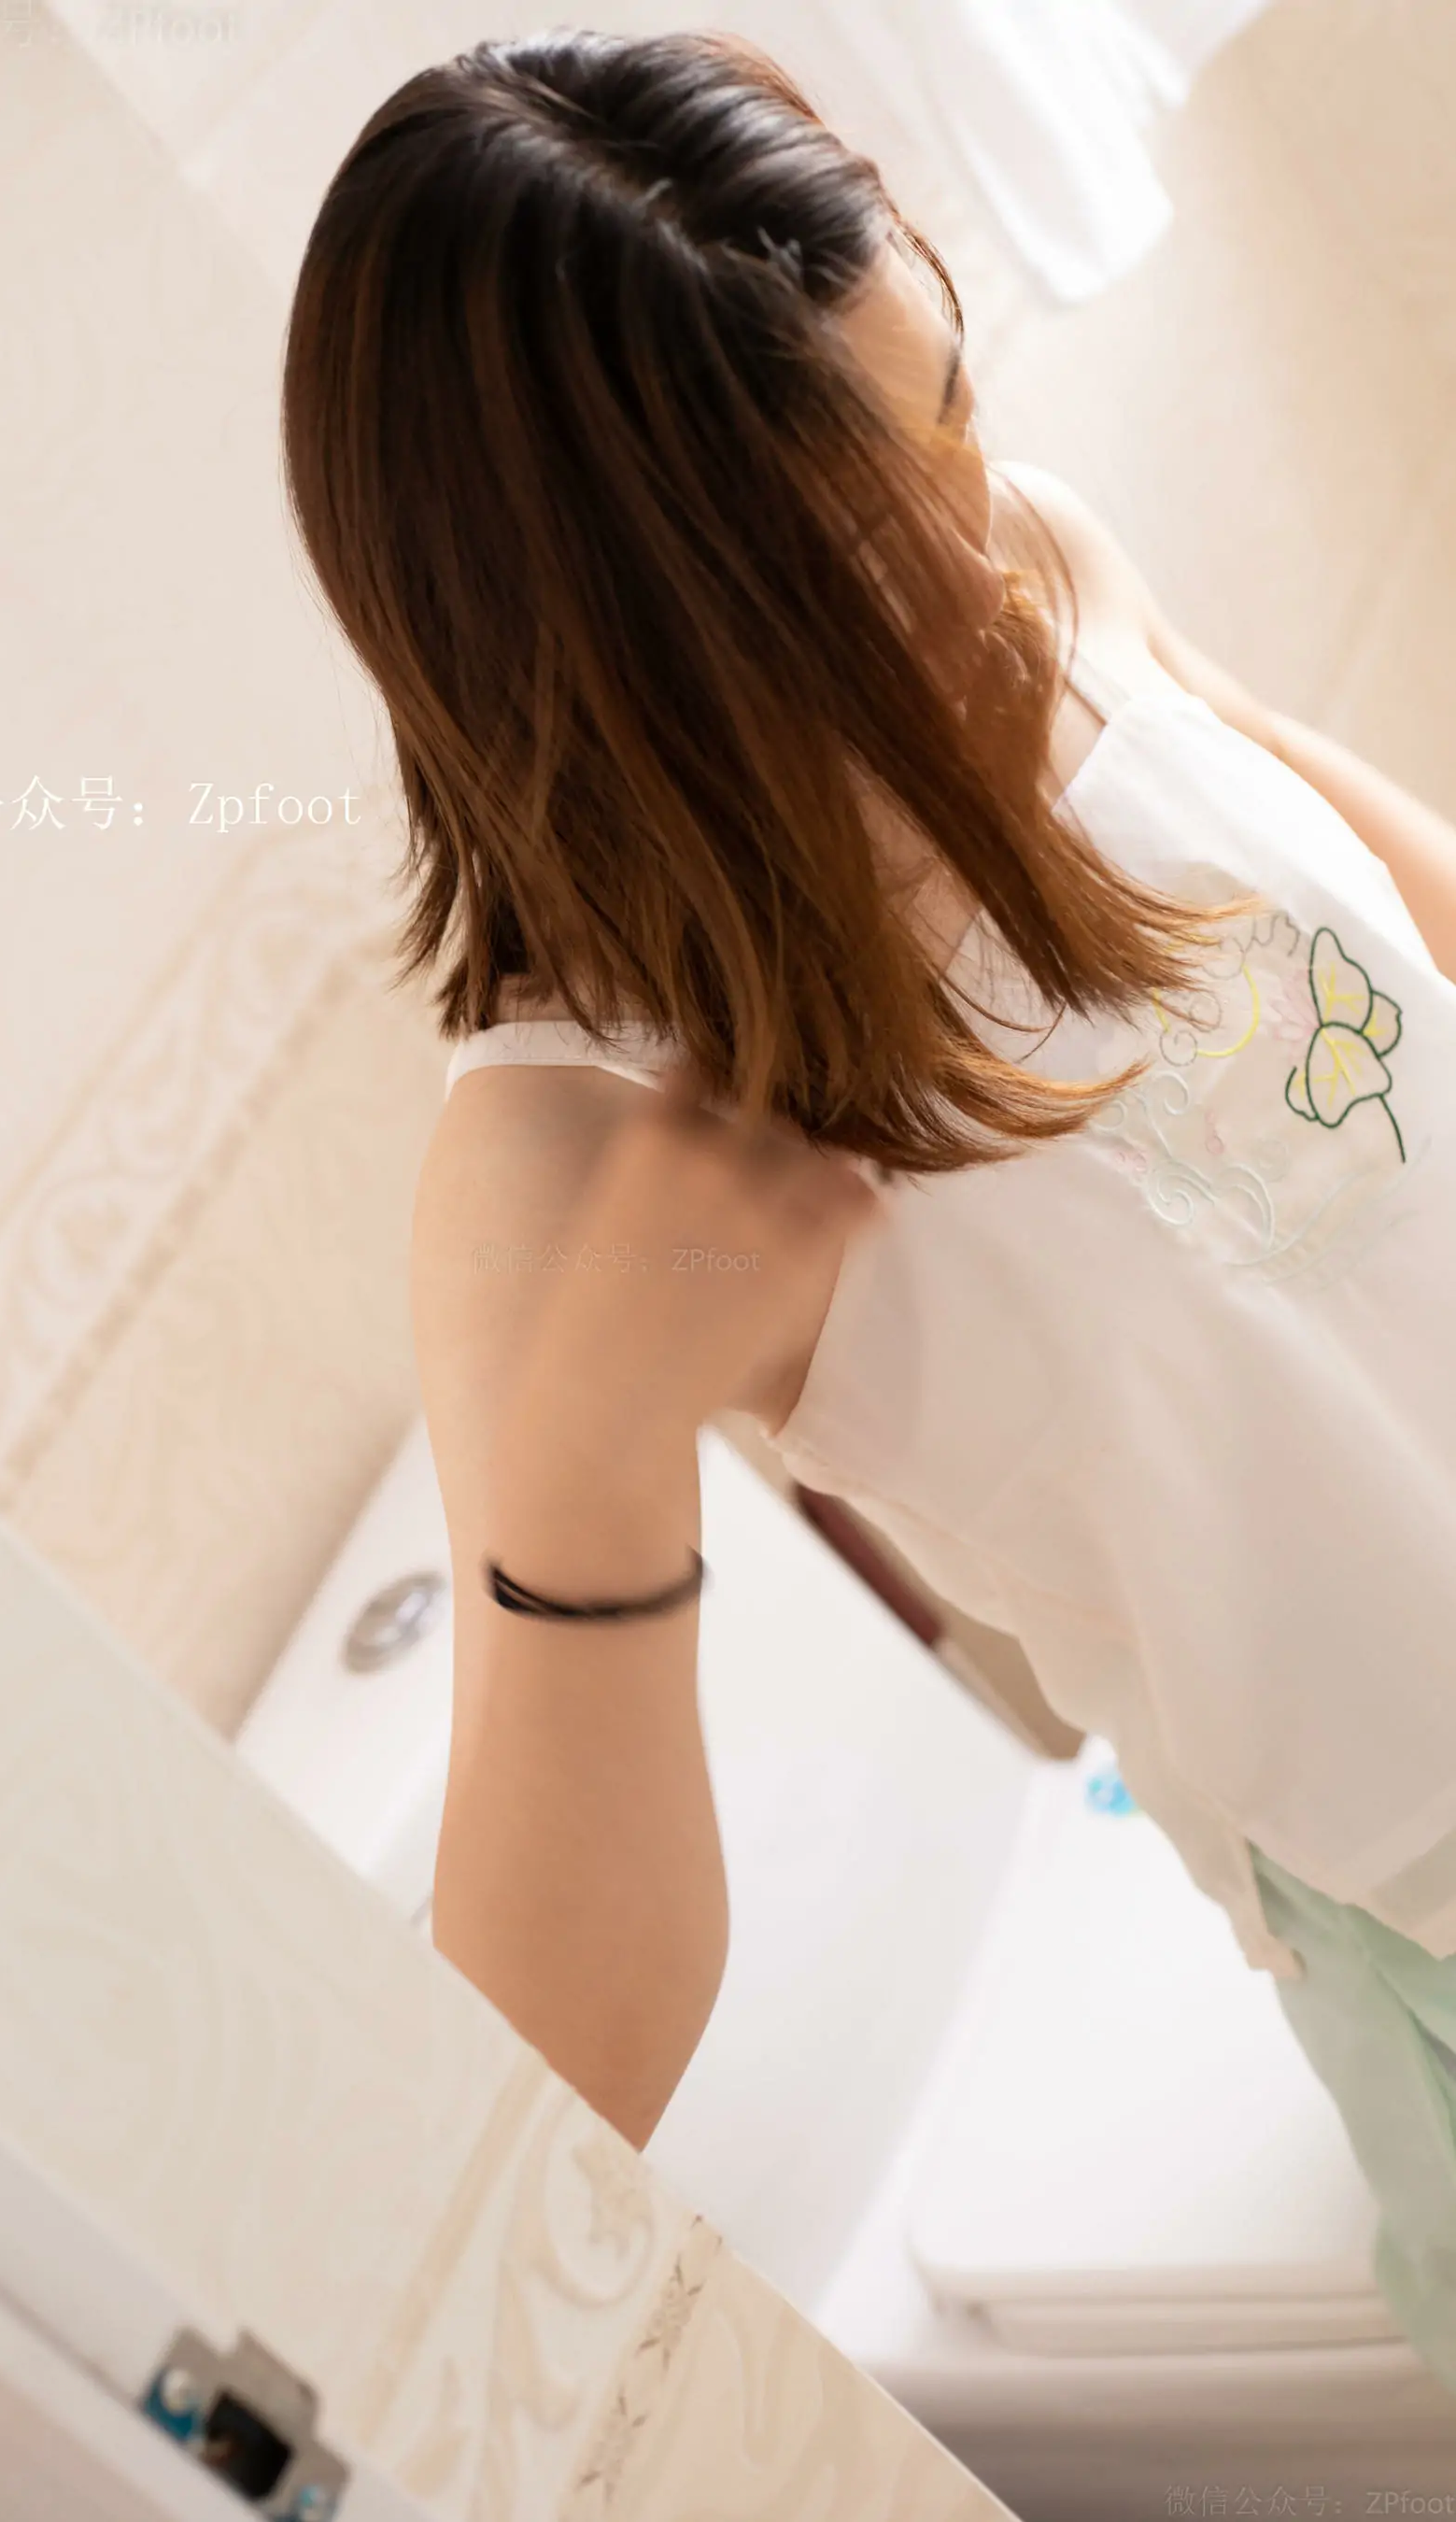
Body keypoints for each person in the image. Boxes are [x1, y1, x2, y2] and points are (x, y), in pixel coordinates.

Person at [281, 28, 1456, 2386]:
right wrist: (594, 1449)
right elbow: (563, 2059)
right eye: (846, 570)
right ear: (608, 658)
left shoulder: (1043, 562)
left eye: (952, 414)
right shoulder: (566, 1155)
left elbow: (1413, 929)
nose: (972, 570)